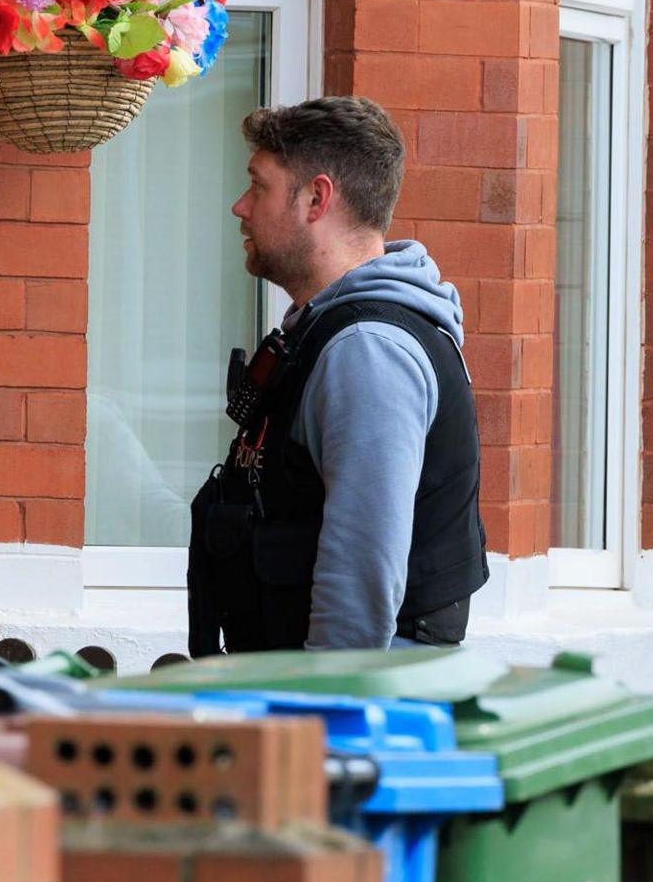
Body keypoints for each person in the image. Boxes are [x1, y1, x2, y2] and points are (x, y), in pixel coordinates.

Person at [186, 96, 487, 655]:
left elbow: (362, 561)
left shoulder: (366, 349)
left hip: (342, 701)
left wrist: (327, 712)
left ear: (316, 198)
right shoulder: (326, 332)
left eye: (258, 186)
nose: (240, 207)